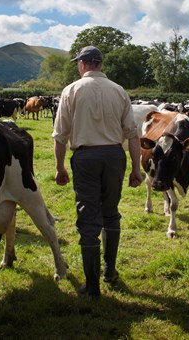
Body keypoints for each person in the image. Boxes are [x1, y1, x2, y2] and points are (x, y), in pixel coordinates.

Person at [52, 45, 143, 298]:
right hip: (115, 156)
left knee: (88, 218)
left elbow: (60, 137)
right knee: (111, 213)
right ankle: (110, 271)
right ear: (100, 64)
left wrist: (60, 168)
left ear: (82, 64)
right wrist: (136, 168)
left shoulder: (71, 90)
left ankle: (92, 286)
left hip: (86, 158)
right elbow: (133, 135)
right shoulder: (119, 91)